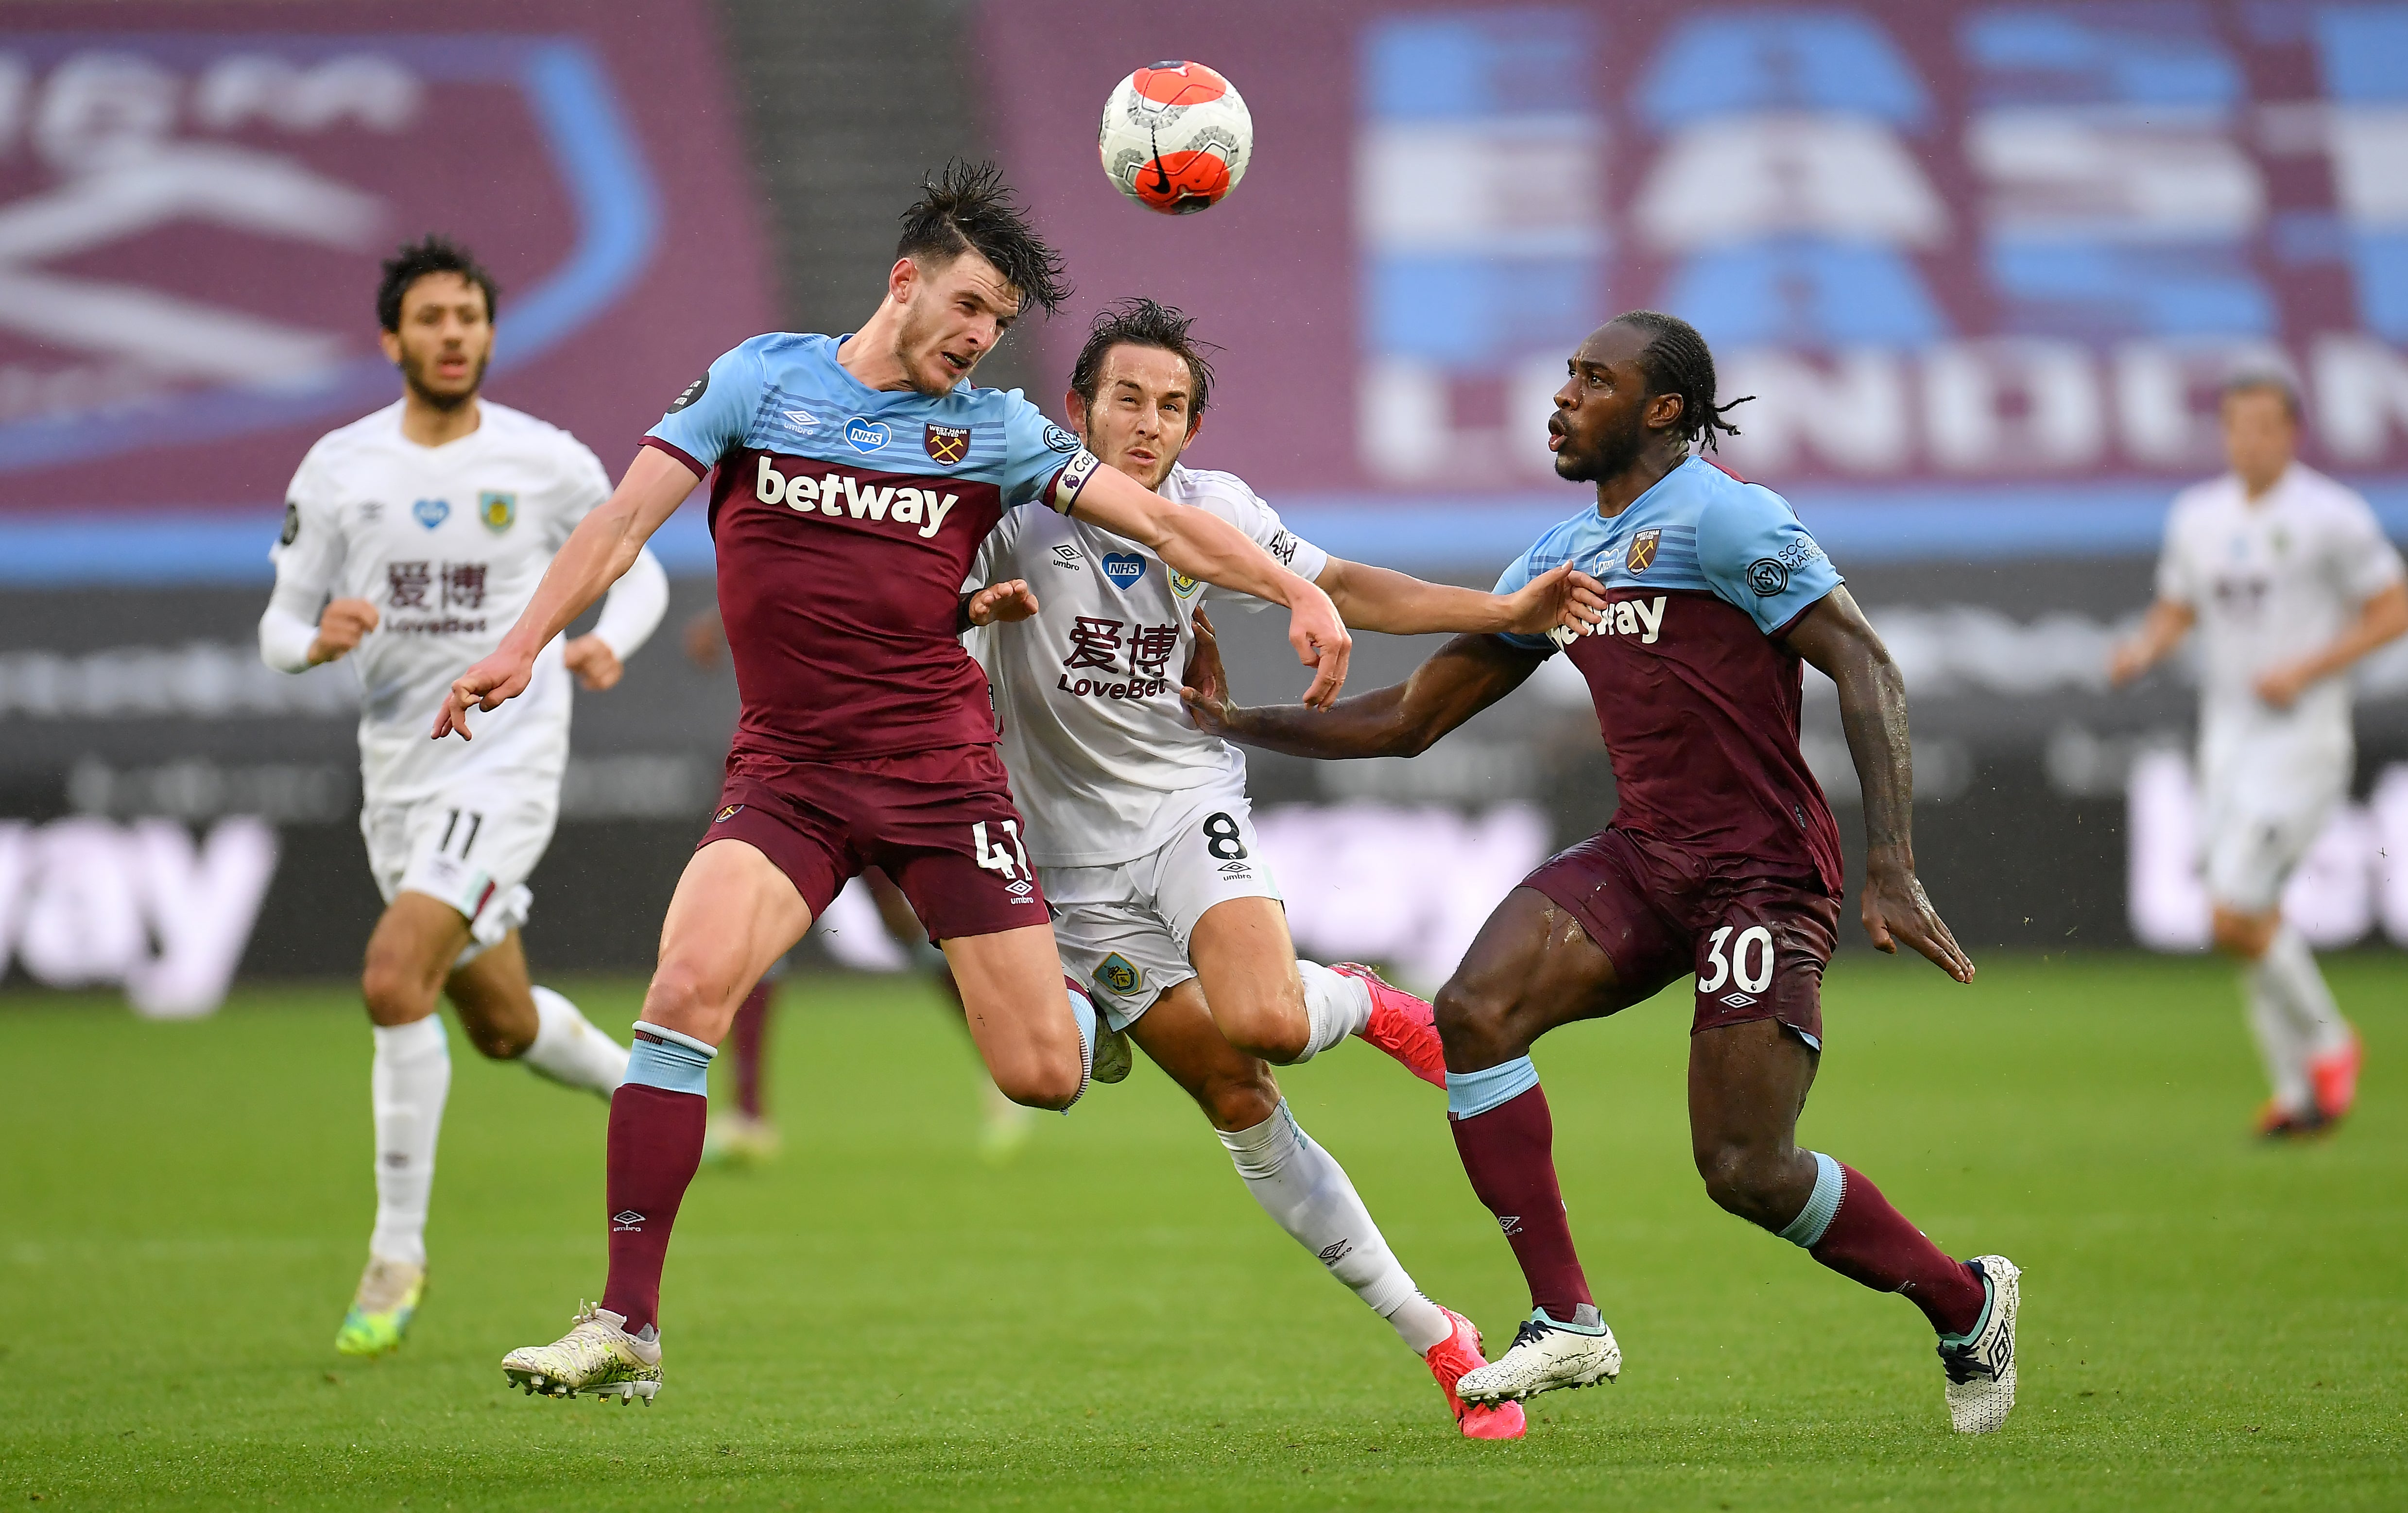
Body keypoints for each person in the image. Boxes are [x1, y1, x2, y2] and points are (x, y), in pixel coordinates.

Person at [440, 162, 1357, 1405]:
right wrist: (518, 642)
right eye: (969, 307)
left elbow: (1160, 522)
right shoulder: (760, 380)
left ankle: (1098, 1008)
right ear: (905, 281)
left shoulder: (997, 429)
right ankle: (625, 1322)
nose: (980, 338)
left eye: (999, 324)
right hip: (792, 777)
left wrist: (1294, 585)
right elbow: (615, 525)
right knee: (684, 991)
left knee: (1042, 1071)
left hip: (945, 780)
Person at [1184, 310, 2024, 1435]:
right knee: (1476, 1011)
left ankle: (1966, 1300)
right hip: (1646, 854)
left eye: (1592, 379)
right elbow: (1415, 718)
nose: (1562, 397)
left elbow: (1865, 660)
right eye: (1567, 377)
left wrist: (1892, 863)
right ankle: (1565, 1317)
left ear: (1662, 408)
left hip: (1761, 875)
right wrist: (1231, 719)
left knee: (1743, 1166)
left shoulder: (1726, 518)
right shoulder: (1557, 560)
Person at [962, 298, 1604, 1437]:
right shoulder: (1010, 512)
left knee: (1267, 1017)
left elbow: (1348, 583)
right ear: (1076, 406)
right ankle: (1441, 1338)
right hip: (1065, 862)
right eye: (1126, 399)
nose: (1148, 424)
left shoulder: (1217, 510)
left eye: (1171, 407)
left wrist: (1505, 608)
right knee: (1236, 1093)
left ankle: (1352, 996)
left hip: (1185, 803)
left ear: (1193, 426)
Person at [258, 235, 668, 1358]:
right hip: (400, 774)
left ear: (490, 332)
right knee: (498, 1021)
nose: (454, 334)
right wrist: (315, 640)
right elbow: (278, 622)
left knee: (395, 974)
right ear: (393, 337)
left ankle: (397, 1249)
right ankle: (652, 1090)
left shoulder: (546, 461)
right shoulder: (341, 467)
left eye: (470, 317)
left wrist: (604, 641)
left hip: (507, 760)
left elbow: (644, 563)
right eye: (432, 317)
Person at [2110, 373, 2403, 1136]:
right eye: (2238, 426)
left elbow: (2394, 606)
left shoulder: (2331, 516)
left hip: (2303, 739)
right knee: (2252, 916)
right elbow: (2180, 605)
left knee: (2234, 909)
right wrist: (2144, 649)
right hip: (2228, 739)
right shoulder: (2198, 515)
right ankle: (2298, 1094)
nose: (2251, 440)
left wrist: (2309, 667)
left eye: (2266, 427)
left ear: (2293, 433)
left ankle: (2334, 1043)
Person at [679, 610, 1032, 1167]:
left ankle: (1007, 1059)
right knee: (745, 914)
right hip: (791, 755)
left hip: (879, 747)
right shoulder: (791, 543)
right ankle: (748, 1113)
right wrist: (726, 620)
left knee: (903, 917)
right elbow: (779, 574)